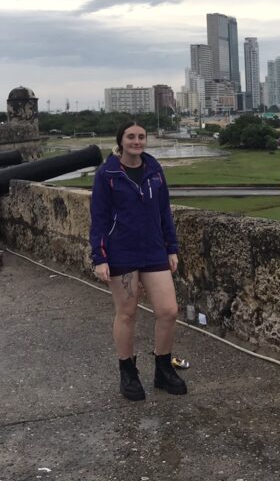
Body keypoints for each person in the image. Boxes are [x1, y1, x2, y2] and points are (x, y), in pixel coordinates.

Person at [90, 120, 186, 401]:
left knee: (168, 310)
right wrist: (100, 256)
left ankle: (163, 367)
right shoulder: (107, 174)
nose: (137, 141)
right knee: (127, 313)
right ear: (121, 141)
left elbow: (164, 211)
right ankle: (128, 371)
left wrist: (171, 247)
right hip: (122, 252)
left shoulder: (154, 171)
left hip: (153, 250)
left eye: (141, 137)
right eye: (131, 137)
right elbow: (99, 219)